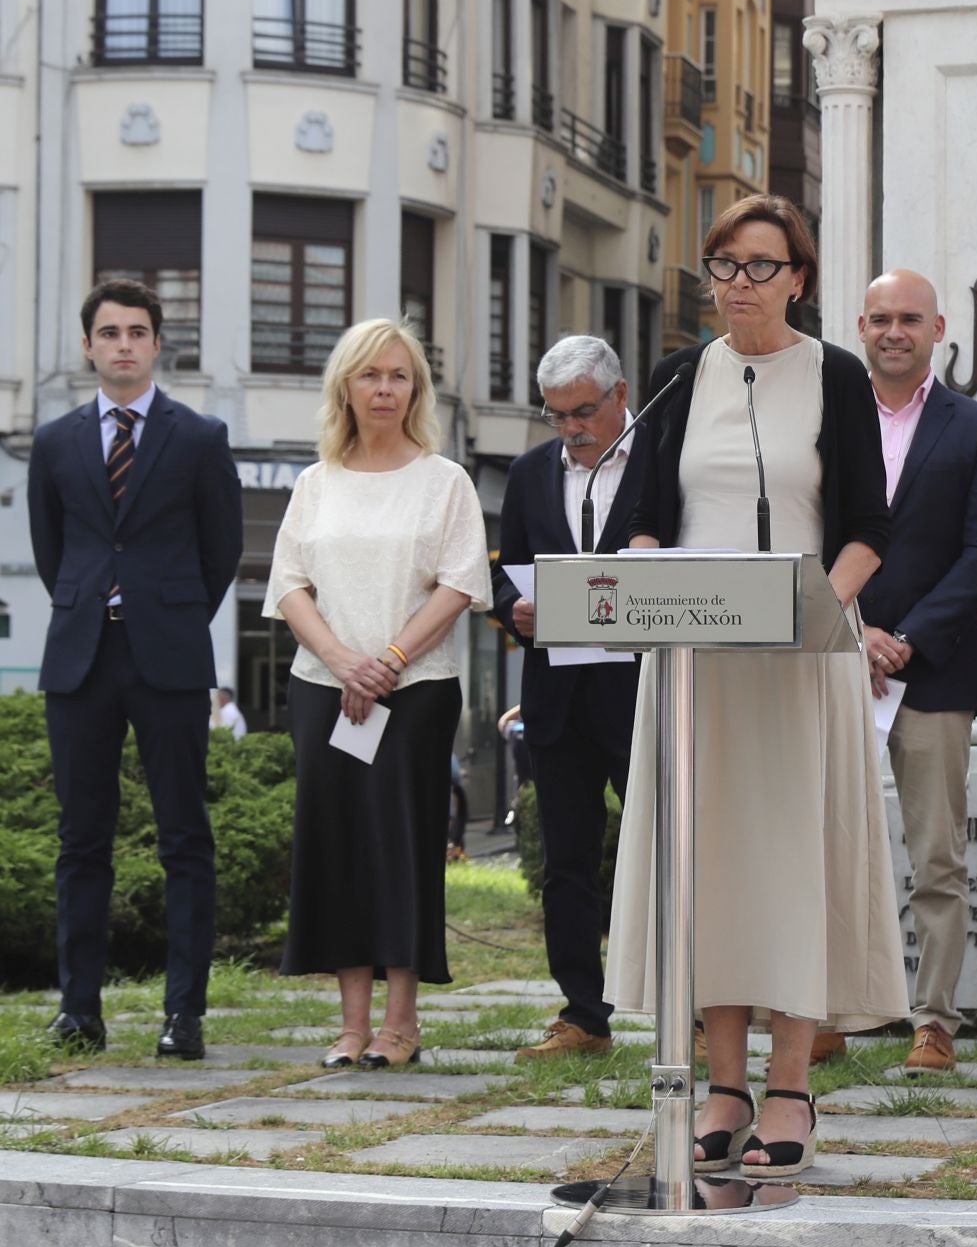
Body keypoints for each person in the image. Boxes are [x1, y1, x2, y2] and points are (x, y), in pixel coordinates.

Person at [604, 193, 907, 1178]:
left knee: (791, 865)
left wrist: (822, 607)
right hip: (698, 666)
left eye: (761, 265)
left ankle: (789, 1083)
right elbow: (642, 519)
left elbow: (867, 526)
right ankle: (722, 1085)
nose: (740, 283)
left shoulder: (839, 378)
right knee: (711, 867)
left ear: (799, 279)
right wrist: (650, 575)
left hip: (800, 658)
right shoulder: (677, 378)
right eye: (725, 265)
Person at [264, 318, 490, 1071]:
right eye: (371, 375)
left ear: (415, 389)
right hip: (323, 691)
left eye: (399, 376)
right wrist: (340, 660)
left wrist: (387, 660)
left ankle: (402, 1021)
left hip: (415, 692)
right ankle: (351, 1024)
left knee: (402, 847)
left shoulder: (444, 480)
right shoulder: (315, 482)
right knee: (337, 850)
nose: (385, 389)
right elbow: (290, 584)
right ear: (347, 388)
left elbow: (461, 583)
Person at [28, 277, 243, 1059]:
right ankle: (78, 1010)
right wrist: (96, 604)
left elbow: (221, 550)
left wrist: (169, 607)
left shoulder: (200, 437)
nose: (123, 343)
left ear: (157, 344)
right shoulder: (54, 443)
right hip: (80, 656)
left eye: (137, 331)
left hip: (171, 654)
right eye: (109, 332)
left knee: (184, 836)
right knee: (82, 840)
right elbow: (54, 553)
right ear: (89, 345)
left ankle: (183, 1014)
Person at [849, 269, 977, 1075]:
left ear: (938, 327)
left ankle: (934, 1020)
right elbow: (809, 537)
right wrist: (856, 631)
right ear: (860, 326)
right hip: (833, 661)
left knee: (936, 857)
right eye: (880, 318)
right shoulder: (826, 420)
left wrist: (905, 638)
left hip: (935, 672)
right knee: (828, 848)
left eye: (908, 318)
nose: (894, 331)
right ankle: (827, 1013)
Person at [493, 335, 648, 1061]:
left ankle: (704, 1012)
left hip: (642, 689)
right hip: (555, 694)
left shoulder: (661, 464)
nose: (572, 429)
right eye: (557, 416)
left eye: (584, 411)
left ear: (621, 396)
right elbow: (504, 574)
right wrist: (512, 612)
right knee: (566, 862)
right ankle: (584, 1013)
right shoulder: (528, 475)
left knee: (669, 854)